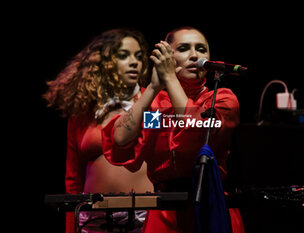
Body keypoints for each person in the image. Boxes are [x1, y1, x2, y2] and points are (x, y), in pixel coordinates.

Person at [102, 26, 245, 233]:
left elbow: (194, 127)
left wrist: (170, 79)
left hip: (210, 207)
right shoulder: (156, 106)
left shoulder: (222, 99)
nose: (195, 55)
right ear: (167, 57)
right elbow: (121, 139)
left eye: (202, 49)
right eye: (184, 48)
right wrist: (152, 88)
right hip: (164, 212)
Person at [43, 28, 153, 233]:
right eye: (123, 55)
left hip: (144, 216)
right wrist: (71, 227)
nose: (134, 62)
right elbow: (73, 176)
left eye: (139, 56)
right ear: (104, 62)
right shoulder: (84, 113)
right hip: (93, 219)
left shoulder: (154, 103)